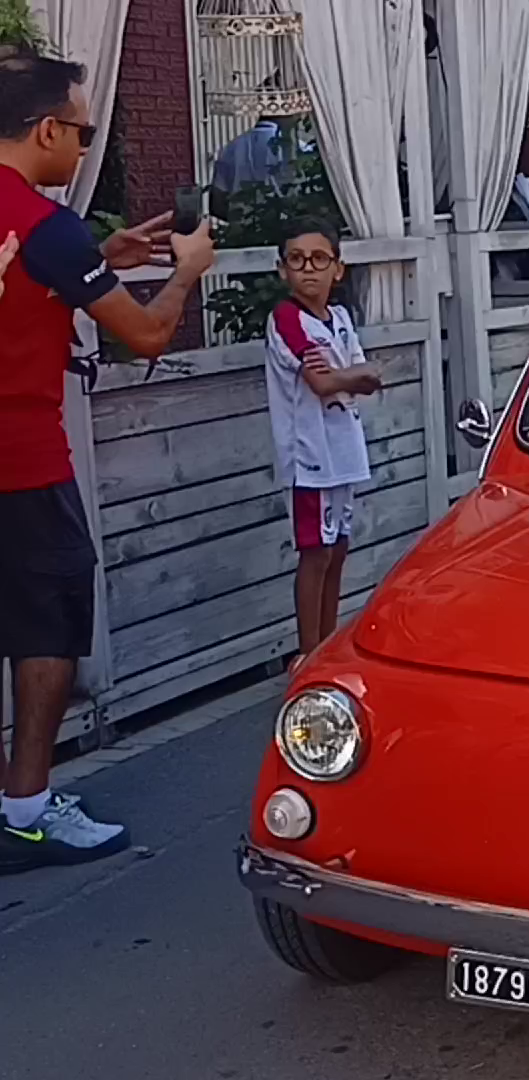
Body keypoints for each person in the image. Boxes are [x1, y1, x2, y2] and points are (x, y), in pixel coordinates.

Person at [0, 47, 218, 872]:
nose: (85, 148)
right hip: (21, 461)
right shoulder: (47, 228)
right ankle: (26, 812)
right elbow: (149, 335)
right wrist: (185, 272)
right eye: (86, 133)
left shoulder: (53, 240)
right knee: (47, 633)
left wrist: (105, 258)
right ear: (47, 128)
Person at [264, 221, 381, 667]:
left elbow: (356, 377)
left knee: (339, 548)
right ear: (282, 270)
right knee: (316, 551)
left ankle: (328, 644)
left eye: (319, 259)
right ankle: (308, 652)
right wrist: (351, 377)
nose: (308, 269)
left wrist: (347, 377)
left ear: (338, 269)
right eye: (296, 260)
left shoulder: (341, 320)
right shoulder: (287, 318)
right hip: (310, 456)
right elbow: (324, 381)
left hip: (344, 450)